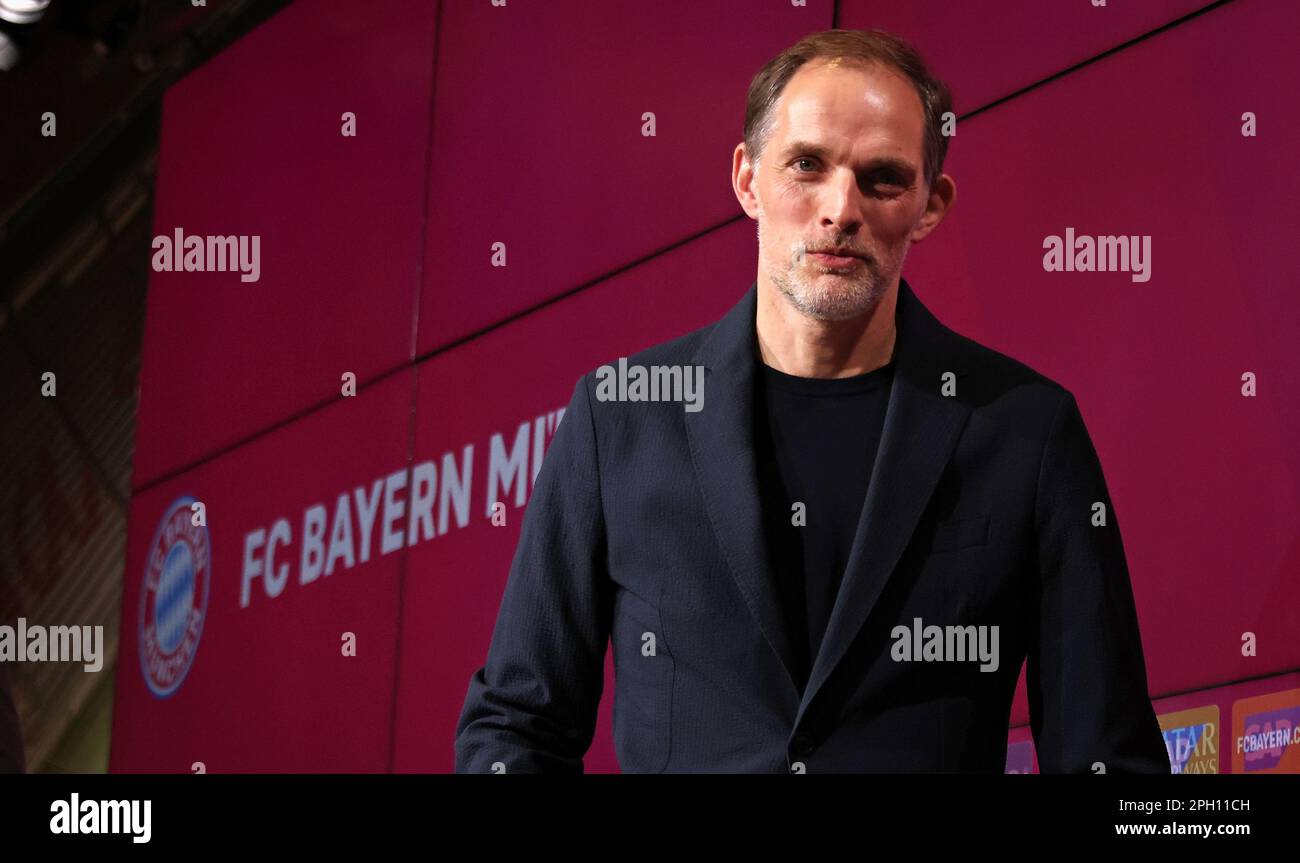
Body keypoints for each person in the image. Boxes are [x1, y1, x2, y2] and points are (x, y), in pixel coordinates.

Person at [454, 28, 1169, 773]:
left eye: (883, 176)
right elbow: (516, 726)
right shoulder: (621, 420)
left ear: (931, 203)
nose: (840, 208)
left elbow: (1106, 754)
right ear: (746, 179)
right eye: (807, 165)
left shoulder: (1026, 430)